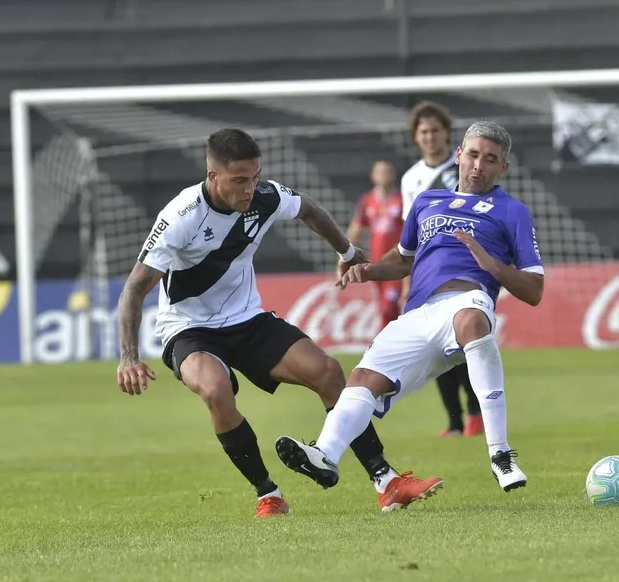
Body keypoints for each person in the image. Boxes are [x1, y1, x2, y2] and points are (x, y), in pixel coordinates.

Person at [115, 128, 442, 518]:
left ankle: (386, 482)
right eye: (239, 180)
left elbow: (308, 208)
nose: (249, 189)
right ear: (212, 175)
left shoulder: (264, 197)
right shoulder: (181, 216)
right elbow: (134, 288)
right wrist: (128, 358)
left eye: (254, 177)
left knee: (327, 371)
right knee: (217, 390)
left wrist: (348, 249)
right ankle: (267, 494)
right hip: (188, 328)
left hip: (247, 319)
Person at [274, 120, 544, 493]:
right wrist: (368, 270)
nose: (480, 165)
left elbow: (534, 289)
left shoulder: (512, 211)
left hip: (468, 300)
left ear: (503, 168)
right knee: (363, 378)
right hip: (418, 313)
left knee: (471, 321)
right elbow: (404, 259)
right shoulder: (426, 202)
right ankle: (325, 454)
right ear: (459, 156)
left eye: (492, 159)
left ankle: (500, 454)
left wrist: (492, 265)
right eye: (475, 155)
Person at [400, 100, 483, 438]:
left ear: (448, 135)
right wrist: (409, 276)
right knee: (437, 345)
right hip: (428, 270)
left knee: (468, 342)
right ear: (416, 138)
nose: (430, 136)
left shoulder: (465, 167)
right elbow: (412, 231)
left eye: (436, 130)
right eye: (424, 132)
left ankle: (476, 412)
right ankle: (454, 420)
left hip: (466, 266)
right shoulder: (411, 179)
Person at [346, 160, 404, 329]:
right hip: (376, 264)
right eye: (379, 171)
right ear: (372, 176)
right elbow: (356, 228)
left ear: (393, 175)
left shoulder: (401, 200)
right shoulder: (367, 201)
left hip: (396, 263)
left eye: (387, 171)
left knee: (390, 306)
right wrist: (345, 255)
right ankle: (392, 343)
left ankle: (384, 344)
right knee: (383, 307)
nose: (383, 175)